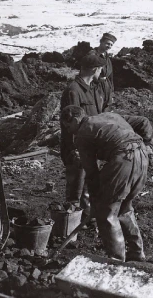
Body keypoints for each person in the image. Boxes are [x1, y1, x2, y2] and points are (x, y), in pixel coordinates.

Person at [61, 106, 153, 262]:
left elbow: (91, 173)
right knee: (125, 207)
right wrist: (150, 145)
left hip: (123, 160)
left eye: (68, 126)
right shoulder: (109, 116)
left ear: (76, 120)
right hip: (142, 156)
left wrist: (96, 202)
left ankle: (116, 260)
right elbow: (142, 122)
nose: (70, 131)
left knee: (107, 213)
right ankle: (136, 253)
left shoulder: (82, 134)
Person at [60, 52, 106, 212]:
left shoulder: (93, 89)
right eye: (100, 69)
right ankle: (70, 228)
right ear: (95, 69)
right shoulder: (73, 91)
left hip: (91, 147)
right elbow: (71, 124)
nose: (101, 73)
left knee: (89, 187)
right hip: (78, 149)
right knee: (75, 192)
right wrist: (75, 150)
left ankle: (87, 220)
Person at [94, 33, 117, 110]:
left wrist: (112, 94)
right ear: (101, 42)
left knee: (106, 108)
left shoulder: (107, 58)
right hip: (95, 87)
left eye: (111, 45)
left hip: (106, 87)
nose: (109, 46)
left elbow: (110, 77)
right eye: (107, 43)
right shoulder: (92, 55)